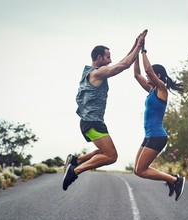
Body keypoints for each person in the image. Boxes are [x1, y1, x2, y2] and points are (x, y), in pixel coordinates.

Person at [63, 30, 148, 190]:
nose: (110, 60)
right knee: (111, 156)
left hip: (90, 121)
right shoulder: (98, 73)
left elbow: (123, 62)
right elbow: (122, 66)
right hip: (92, 122)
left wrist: (136, 45)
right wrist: (138, 46)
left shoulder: (90, 72)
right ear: (99, 58)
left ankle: (76, 161)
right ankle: (75, 171)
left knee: (103, 152)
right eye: (108, 57)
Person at [133, 43, 186, 201]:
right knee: (137, 170)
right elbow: (137, 74)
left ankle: (175, 180)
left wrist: (143, 50)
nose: (148, 77)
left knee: (142, 170)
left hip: (157, 136)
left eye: (151, 76)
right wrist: (135, 51)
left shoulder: (161, 89)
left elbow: (148, 70)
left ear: (159, 77)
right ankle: (171, 180)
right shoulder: (150, 91)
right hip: (149, 136)